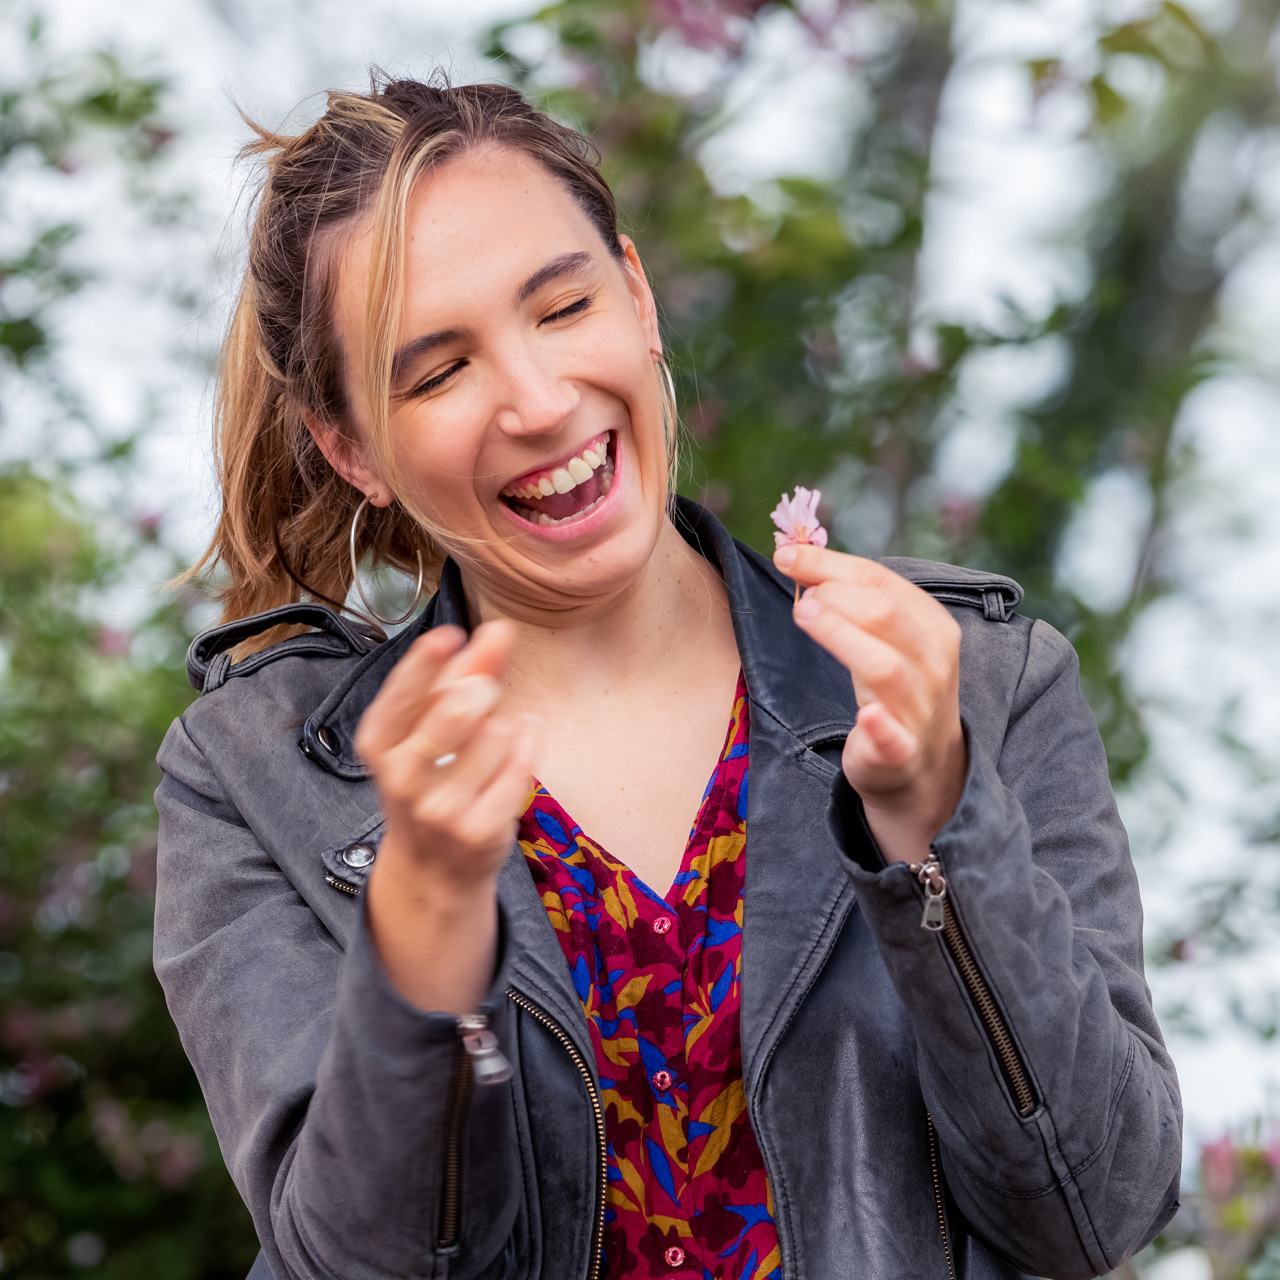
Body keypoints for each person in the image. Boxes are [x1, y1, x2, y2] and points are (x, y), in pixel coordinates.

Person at [153, 76, 1182, 1280]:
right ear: (350, 449)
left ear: (636, 296)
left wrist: (934, 829)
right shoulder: (257, 779)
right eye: (436, 374)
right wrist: (424, 937)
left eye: (562, 305)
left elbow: (1095, 1209)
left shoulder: (983, 682)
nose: (537, 402)